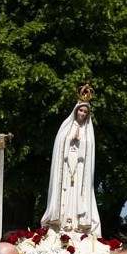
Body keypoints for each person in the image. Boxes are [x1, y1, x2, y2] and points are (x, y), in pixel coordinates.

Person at [40, 101, 101, 235]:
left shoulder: (88, 130)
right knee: (65, 191)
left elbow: (89, 149)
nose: (82, 114)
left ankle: (77, 223)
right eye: (81, 111)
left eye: (85, 112)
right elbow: (60, 143)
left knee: (78, 192)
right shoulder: (66, 126)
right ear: (75, 111)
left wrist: (80, 142)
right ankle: (61, 223)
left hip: (80, 167)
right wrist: (71, 139)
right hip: (66, 166)